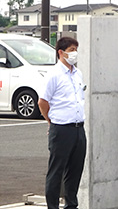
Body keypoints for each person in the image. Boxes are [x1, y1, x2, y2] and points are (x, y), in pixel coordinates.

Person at [38, 36, 86, 209]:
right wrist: (52, 121)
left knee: (75, 170)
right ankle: (52, 206)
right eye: (72, 50)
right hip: (61, 129)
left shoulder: (78, 73)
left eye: (76, 50)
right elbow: (43, 102)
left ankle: (71, 205)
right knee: (56, 171)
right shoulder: (54, 74)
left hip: (78, 128)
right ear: (61, 52)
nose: (75, 53)